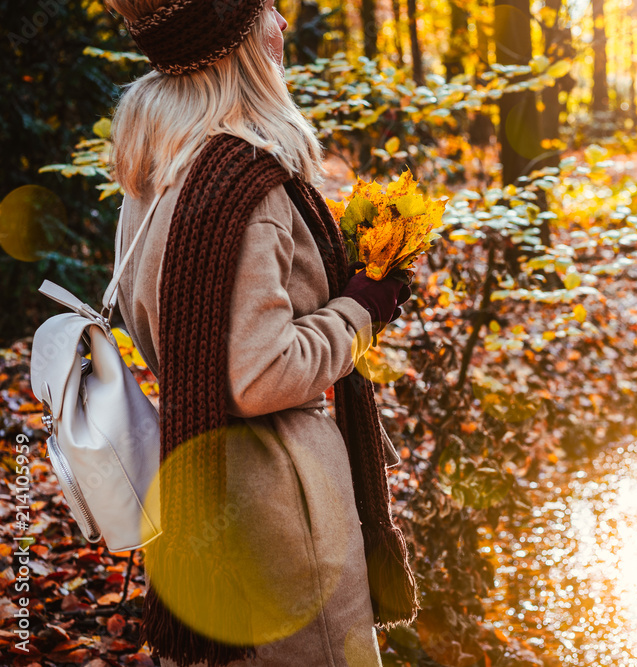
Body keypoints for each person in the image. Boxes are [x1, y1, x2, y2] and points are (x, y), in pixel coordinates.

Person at [102, 0, 420, 665]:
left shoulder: (156, 164)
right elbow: (259, 374)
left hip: (199, 472)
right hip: (282, 507)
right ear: (235, 39)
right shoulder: (248, 185)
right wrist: (362, 307)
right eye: (267, 8)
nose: (282, 21)